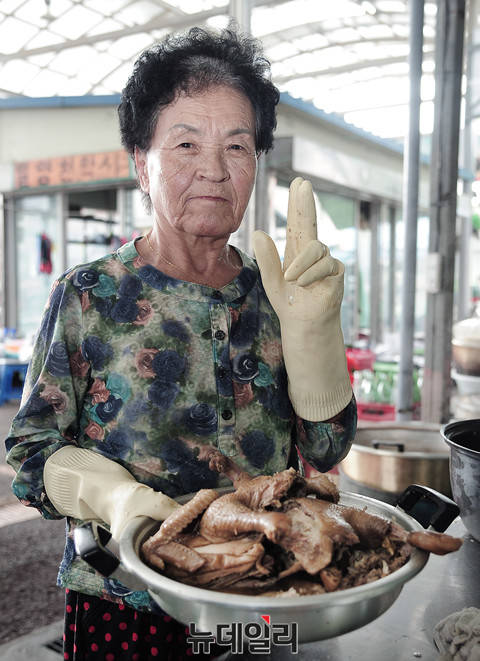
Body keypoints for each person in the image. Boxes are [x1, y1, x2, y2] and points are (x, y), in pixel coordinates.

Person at [5, 26, 356, 661]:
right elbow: (30, 455)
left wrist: (315, 337)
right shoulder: (92, 294)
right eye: (186, 143)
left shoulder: (279, 292)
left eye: (238, 146)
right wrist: (118, 500)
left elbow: (327, 449)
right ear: (142, 161)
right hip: (125, 597)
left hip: (261, 590)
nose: (214, 170)